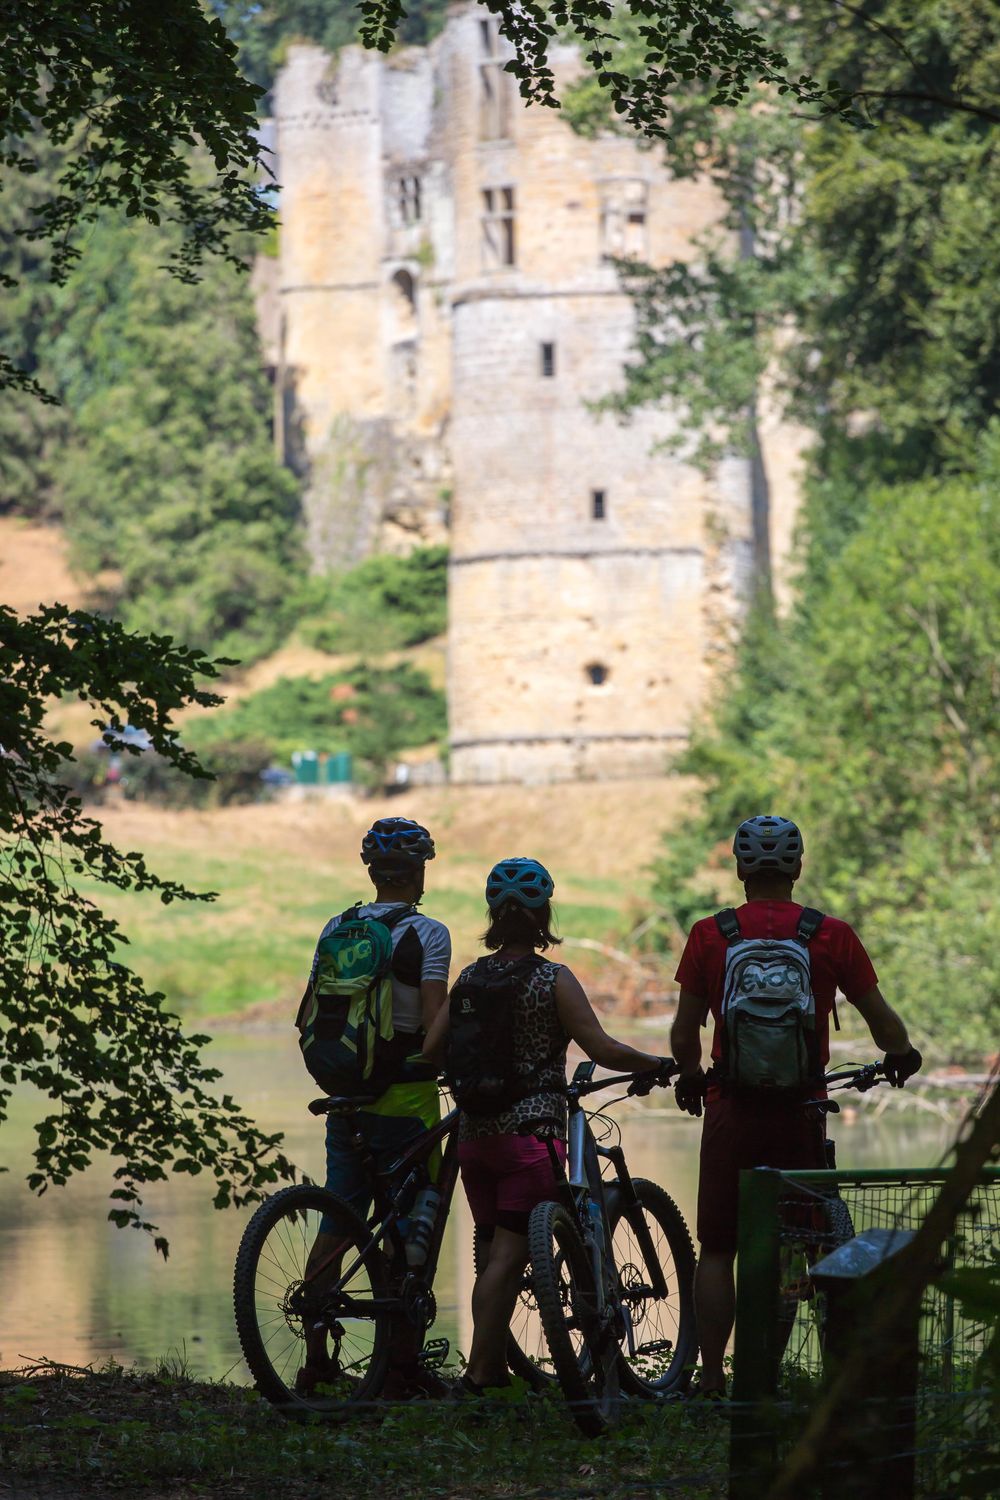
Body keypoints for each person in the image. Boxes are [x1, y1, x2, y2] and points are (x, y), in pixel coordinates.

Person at [670, 814, 922, 1398]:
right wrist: (903, 1054)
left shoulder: (711, 934)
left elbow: (685, 1033)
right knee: (799, 1243)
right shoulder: (829, 934)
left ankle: (712, 1380)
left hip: (730, 1108)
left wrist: (689, 1076)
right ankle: (773, 1372)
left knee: (719, 1246)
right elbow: (883, 1025)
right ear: (797, 868)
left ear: (739, 869)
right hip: (802, 1110)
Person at [424, 856, 672, 1396]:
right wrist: (653, 1064)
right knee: (509, 1259)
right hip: (530, 1138)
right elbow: (601, 1048)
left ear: (493, 915)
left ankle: (489, 1371)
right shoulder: (551, 978)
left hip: (473, 1137)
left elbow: (430, 1049)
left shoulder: (468, 976)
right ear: (544, 915)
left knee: (492, 1255)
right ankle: (475, 1380)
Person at [296, 815, 451, 1397]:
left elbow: (312, 1007)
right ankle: (401, 1367)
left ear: (370, 871)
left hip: (345, 1093)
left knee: (339, 1215)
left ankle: (316, 1358)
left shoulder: (339, 925)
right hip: (405, 1096)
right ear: (419, 874)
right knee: (409, 1221)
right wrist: (445, 1063)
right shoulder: (427, 934)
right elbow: (434, 1017)